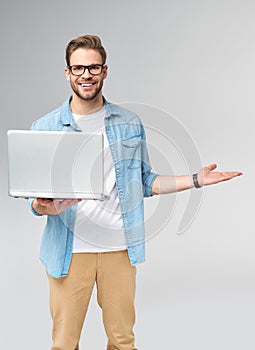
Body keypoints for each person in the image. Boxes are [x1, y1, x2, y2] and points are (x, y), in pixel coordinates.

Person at [29, 34, 242, 350]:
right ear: (67, 73)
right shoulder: (43, 128)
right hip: (69, 254)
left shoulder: (129, 123)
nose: (85, 75)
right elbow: (36, 203)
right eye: (78, 68)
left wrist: (195, 179)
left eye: (93, 67)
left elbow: (146, 182)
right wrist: (49, 207)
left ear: (104, 71)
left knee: (122, 340)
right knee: (64, 343)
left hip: (118, 248)